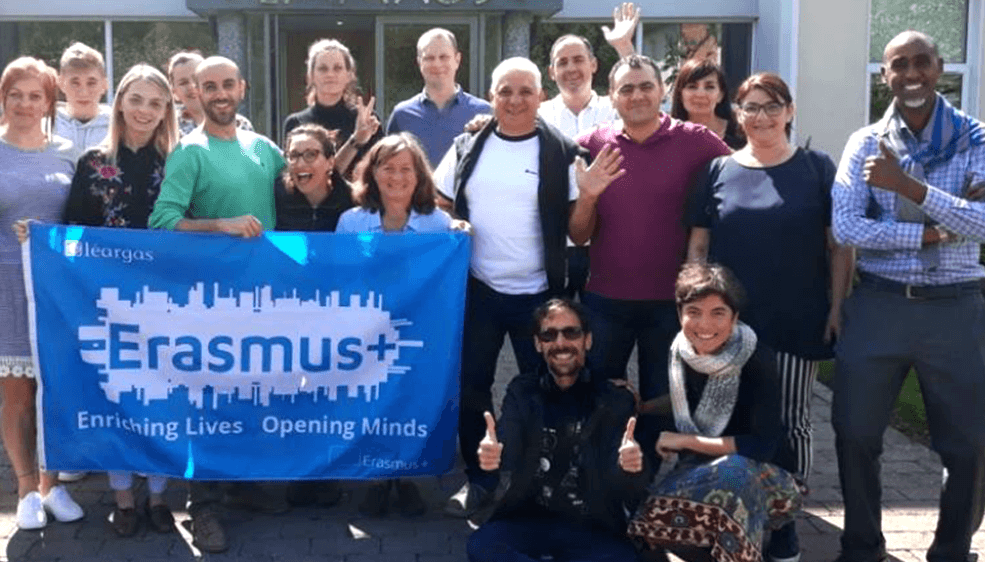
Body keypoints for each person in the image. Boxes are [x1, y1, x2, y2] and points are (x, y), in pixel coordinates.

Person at [432, 57, 622, 518]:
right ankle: (480, 480)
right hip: (480, 292)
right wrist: (450, 220)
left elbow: (580, 234)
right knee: (473, 389)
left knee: (549, 386)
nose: (514, 100)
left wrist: (591, 194)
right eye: (505, 91)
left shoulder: (562, 151)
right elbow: (437, 199)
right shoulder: (467, 145)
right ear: (491, 96)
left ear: (541, 97)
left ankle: (545, 480)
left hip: (541, 297)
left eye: (524, 91)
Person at [684, 72, 853, 562]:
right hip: (727, 326)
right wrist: (694, 310)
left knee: (792, 421)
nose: (761, 116)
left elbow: (839, 245)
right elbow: (699, 243)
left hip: (797, 317)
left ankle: (784, 521)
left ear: (790, 110)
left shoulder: (817, 168)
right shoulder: (717, 171)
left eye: (771, 105)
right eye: (751, 107)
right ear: (738, 115)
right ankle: (731, 510)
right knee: (728, 416)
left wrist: (838, 305)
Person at [831, 30, 985, 562]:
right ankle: (862, 546)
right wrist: (936, 227)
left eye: (923, 62)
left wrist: (910, 190)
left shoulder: (975, 139)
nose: (912, 74)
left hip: (956, 307)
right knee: (854, 432)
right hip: (879, 303)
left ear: (940, 67)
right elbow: (847, 227)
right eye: (900, 64)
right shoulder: (864, 144)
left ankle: (950, 551)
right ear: (885, 75)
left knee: (968, 445)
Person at [148, 56, 287, 553]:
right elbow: (162, 221)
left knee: (253, 392)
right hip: (208, 301)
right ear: (195, 93)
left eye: (228, 84)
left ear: (242, 88)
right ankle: (202, 505)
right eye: (210, 86)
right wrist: (220, 224)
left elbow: (313, 179)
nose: (220, 92)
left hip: (263, 296)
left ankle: (243, 484)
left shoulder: (263, 148)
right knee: (206, 401)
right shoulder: (189, 152)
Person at [570, 54, 731, 462]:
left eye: (645, 86)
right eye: (626, 88)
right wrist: (588, 195)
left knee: (664, 402)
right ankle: (604, 480)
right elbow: (577, 234)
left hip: (670, 303)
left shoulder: (696, 141)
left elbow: (742, 173)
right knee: (601, 397)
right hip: (606, 298)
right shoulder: (593, 145)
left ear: (662, 91)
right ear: (612, 96)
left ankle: (655, 487)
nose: (637, 95)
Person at [59, 63, 179, 536]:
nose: (145, 111)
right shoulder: (92, 161)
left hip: (163, 301)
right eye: (137, 99)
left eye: (156, 102)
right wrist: (38, 240)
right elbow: (71, 234)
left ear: (167, 109)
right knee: (117, 396)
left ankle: (158, 497)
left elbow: (189, 226)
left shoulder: (178, 160)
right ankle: (124, 499)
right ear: (121, 101)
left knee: (162, 397)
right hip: (106, 301)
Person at [627, 263, 803, 562]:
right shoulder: (680, 351)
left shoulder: (758, 358)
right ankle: (707, 540)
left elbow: (761, 446)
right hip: (704, 466)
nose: (704, 325)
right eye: (694, 312)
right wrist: (643, 406)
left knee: (735, 474)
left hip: (765, 474)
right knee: (646, 523)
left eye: (717, 313)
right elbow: (686, 399)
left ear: (734, 317)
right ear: (679, 314)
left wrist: (684, 441)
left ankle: (782, 535)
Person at [336, 133, 464, 516]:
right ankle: (376, 479)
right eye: (387, 168)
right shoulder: (350, 221)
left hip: (417, 333)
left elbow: (447, 275)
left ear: (419, 175)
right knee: (372, 401)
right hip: (366, 332)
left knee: (411, 402)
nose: (396, 176)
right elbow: (340, 276)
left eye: (405, 168)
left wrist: (459, 235)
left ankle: (408, 477)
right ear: (372, 174)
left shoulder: (437, 223)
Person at [465, 297, 647, 562]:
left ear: (588, 340)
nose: (560, 343)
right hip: (529, 520)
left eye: (571, 332)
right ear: (539, 344)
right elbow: (508, 444)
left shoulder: (615, 398)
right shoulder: (522, 390)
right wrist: (494, 455)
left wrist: (630, 468)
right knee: (482, 546)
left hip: (592, 527)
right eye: (549, 335)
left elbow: (628, 488)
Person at [0, 56, 85, 530]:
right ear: (4, 98)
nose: (26, 104)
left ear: (50, 102)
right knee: (16, 394)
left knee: (56, 391)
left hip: (57, 289)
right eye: (17, 94)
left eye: (36, 95)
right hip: (5, 284)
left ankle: (53, 485)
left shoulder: (69, 151)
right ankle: (25, 488)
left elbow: (82, 217)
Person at [538, 3, 637, 301]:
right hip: (554, 244)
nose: (571, 68)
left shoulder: (618, 109)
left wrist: (625, 47)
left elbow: (644, 94)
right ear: (552, 72)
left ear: (593, 64)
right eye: (563, 62)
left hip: (606, 242)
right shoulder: (537, 116)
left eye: (578, 59)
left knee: (602, 334)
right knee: (555, 333)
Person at [385, 28, 491, 167]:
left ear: (457, 60)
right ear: (419, 62)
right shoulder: (402, 115)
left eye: (444, 57)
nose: (437, 64)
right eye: (429, 58)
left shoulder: (483, 112)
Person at [282, 39, 383, 176]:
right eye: (323, 69)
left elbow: (380, 170)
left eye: (337, 68)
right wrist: (356, 140)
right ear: (311, 76)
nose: (330, 74)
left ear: (349, 75)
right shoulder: (296, 123)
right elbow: (298, 177)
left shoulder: (366, 121)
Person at [276, 123, 355, 233]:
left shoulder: (353, 201)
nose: (300, 164)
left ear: (330, 162)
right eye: (293, 156)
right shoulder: (276, 198)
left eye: (311, 155)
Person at [166, 51, 253, 136]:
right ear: (174, 92)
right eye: (183, 83)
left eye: (196, 78)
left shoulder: (241, 124)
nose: (192, 86)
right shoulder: (168, 127)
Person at [55, 42, 111, 163]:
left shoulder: (117, 127)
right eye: (75, 83)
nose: (83, 92)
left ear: (105, 85)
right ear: (61, 83)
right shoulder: (46, 127)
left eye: (91, 83)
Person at [670, 58, 744, 150]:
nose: (700, 94)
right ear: (680, 94)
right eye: (692, 87)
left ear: (720, 95)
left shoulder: (741, 132)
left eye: (709, 87)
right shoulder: (669, 137)